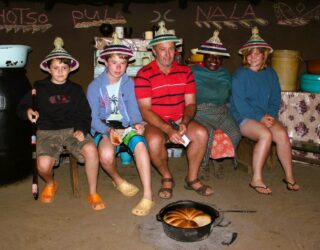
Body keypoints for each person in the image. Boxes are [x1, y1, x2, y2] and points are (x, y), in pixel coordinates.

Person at [17, 37, 105, 210]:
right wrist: (28, 112)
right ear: (49, 68)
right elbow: (21, 108)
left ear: (69, 69)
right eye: (56, 67)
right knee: (42, 165)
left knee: (92, 150)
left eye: (64, 68)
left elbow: (85, 114)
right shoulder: (39, 88)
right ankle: (51, 183)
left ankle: (93, 192)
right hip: (47, 132)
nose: (60, 71)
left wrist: (82, 129)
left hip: (72, 130)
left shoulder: (76, 89)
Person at [134, 21, 214, 199]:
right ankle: (166, 176)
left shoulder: (186, 71)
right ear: (154, 50)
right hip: (155, 122)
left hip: (179, 119)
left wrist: (184, 123)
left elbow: (191, 104)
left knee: (201, 133)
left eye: (171, 49)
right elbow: (145, 110)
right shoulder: (144, 74)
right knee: (154, 141)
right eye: (162, 49)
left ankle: (192, 178)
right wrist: (168, 129)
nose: (168, 54)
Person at [87, 33, 154, 216]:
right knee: (107, 156)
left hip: (126, 126)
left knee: (140, 144)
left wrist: (138, 123)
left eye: (123, 63)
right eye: (114, 62)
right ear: (105, 62)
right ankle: (118, 180)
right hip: (105, 126)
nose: (118, 67)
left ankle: (148, 195)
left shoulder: (129, 84)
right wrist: (107, 130)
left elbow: (133, 109)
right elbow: (92, 119)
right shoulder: (94, 87)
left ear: (127, 64)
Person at [230, 27, 300, 194]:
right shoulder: (240, 75)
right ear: (245, 55)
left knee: (282, 134)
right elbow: (240, 104)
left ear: (264, 55)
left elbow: (275, 98)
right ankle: (256, 179)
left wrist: (270, 116)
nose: (253, 56)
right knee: (265, 134)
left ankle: (289, 177)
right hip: (243, 116)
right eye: (250, 53)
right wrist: (260, 117)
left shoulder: (270, 74)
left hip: (264, 116)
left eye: (257, 53)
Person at [191, 30, 241, 175]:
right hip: (199, 112)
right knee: (209, 133)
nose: (214, 61)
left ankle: (217, 158)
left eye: (218, 58)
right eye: (211, 57)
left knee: (235, 134)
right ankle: (202, 164)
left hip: (221, 111)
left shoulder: (225, 73)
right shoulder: (193, 71)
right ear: (204, 57)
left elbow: (230, 95)